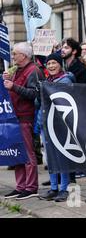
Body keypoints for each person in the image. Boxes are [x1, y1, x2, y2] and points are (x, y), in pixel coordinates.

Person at [2, 42, 43, 200]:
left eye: (15, 54)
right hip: (14, 116)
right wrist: (7, 79)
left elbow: (34, 94)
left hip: (25, 116)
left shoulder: (33, 70)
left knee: (27, 153)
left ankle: (31, 187)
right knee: (17, 154)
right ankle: (20, 186)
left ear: (24, 55)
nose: (12, 57)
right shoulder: (17, 70)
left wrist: (13, 87)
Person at [38, 53, 75, 202]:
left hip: (59, 125)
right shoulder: (46, 80)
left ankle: (64, 188)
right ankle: (54, 187)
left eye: (54, 63)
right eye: (49, 64)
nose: (51, 66)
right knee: (50, 158)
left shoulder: (65, 80)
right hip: (45, 123)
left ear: (60, 64)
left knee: (61, 157)